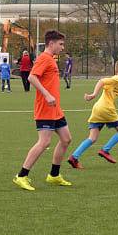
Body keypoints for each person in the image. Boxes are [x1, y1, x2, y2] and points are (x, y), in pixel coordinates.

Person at [15, 30, 72, 190]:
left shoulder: (51, 60)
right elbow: (31, 77)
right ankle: (21, 176)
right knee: (44, 142)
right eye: (60, 44)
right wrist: (47, 95)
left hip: (56, 109)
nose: (62, 47)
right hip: (45, 108)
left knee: (66, 139)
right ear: (51, 43)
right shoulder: (44, 58)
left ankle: (54, 175)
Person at [69, 59, 118, 167]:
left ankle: (74, 157)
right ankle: (105, 150)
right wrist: (94, 94)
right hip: (107, 109)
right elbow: (101, 81)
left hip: (98, 109)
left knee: (92, 138)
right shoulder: (116, 79)